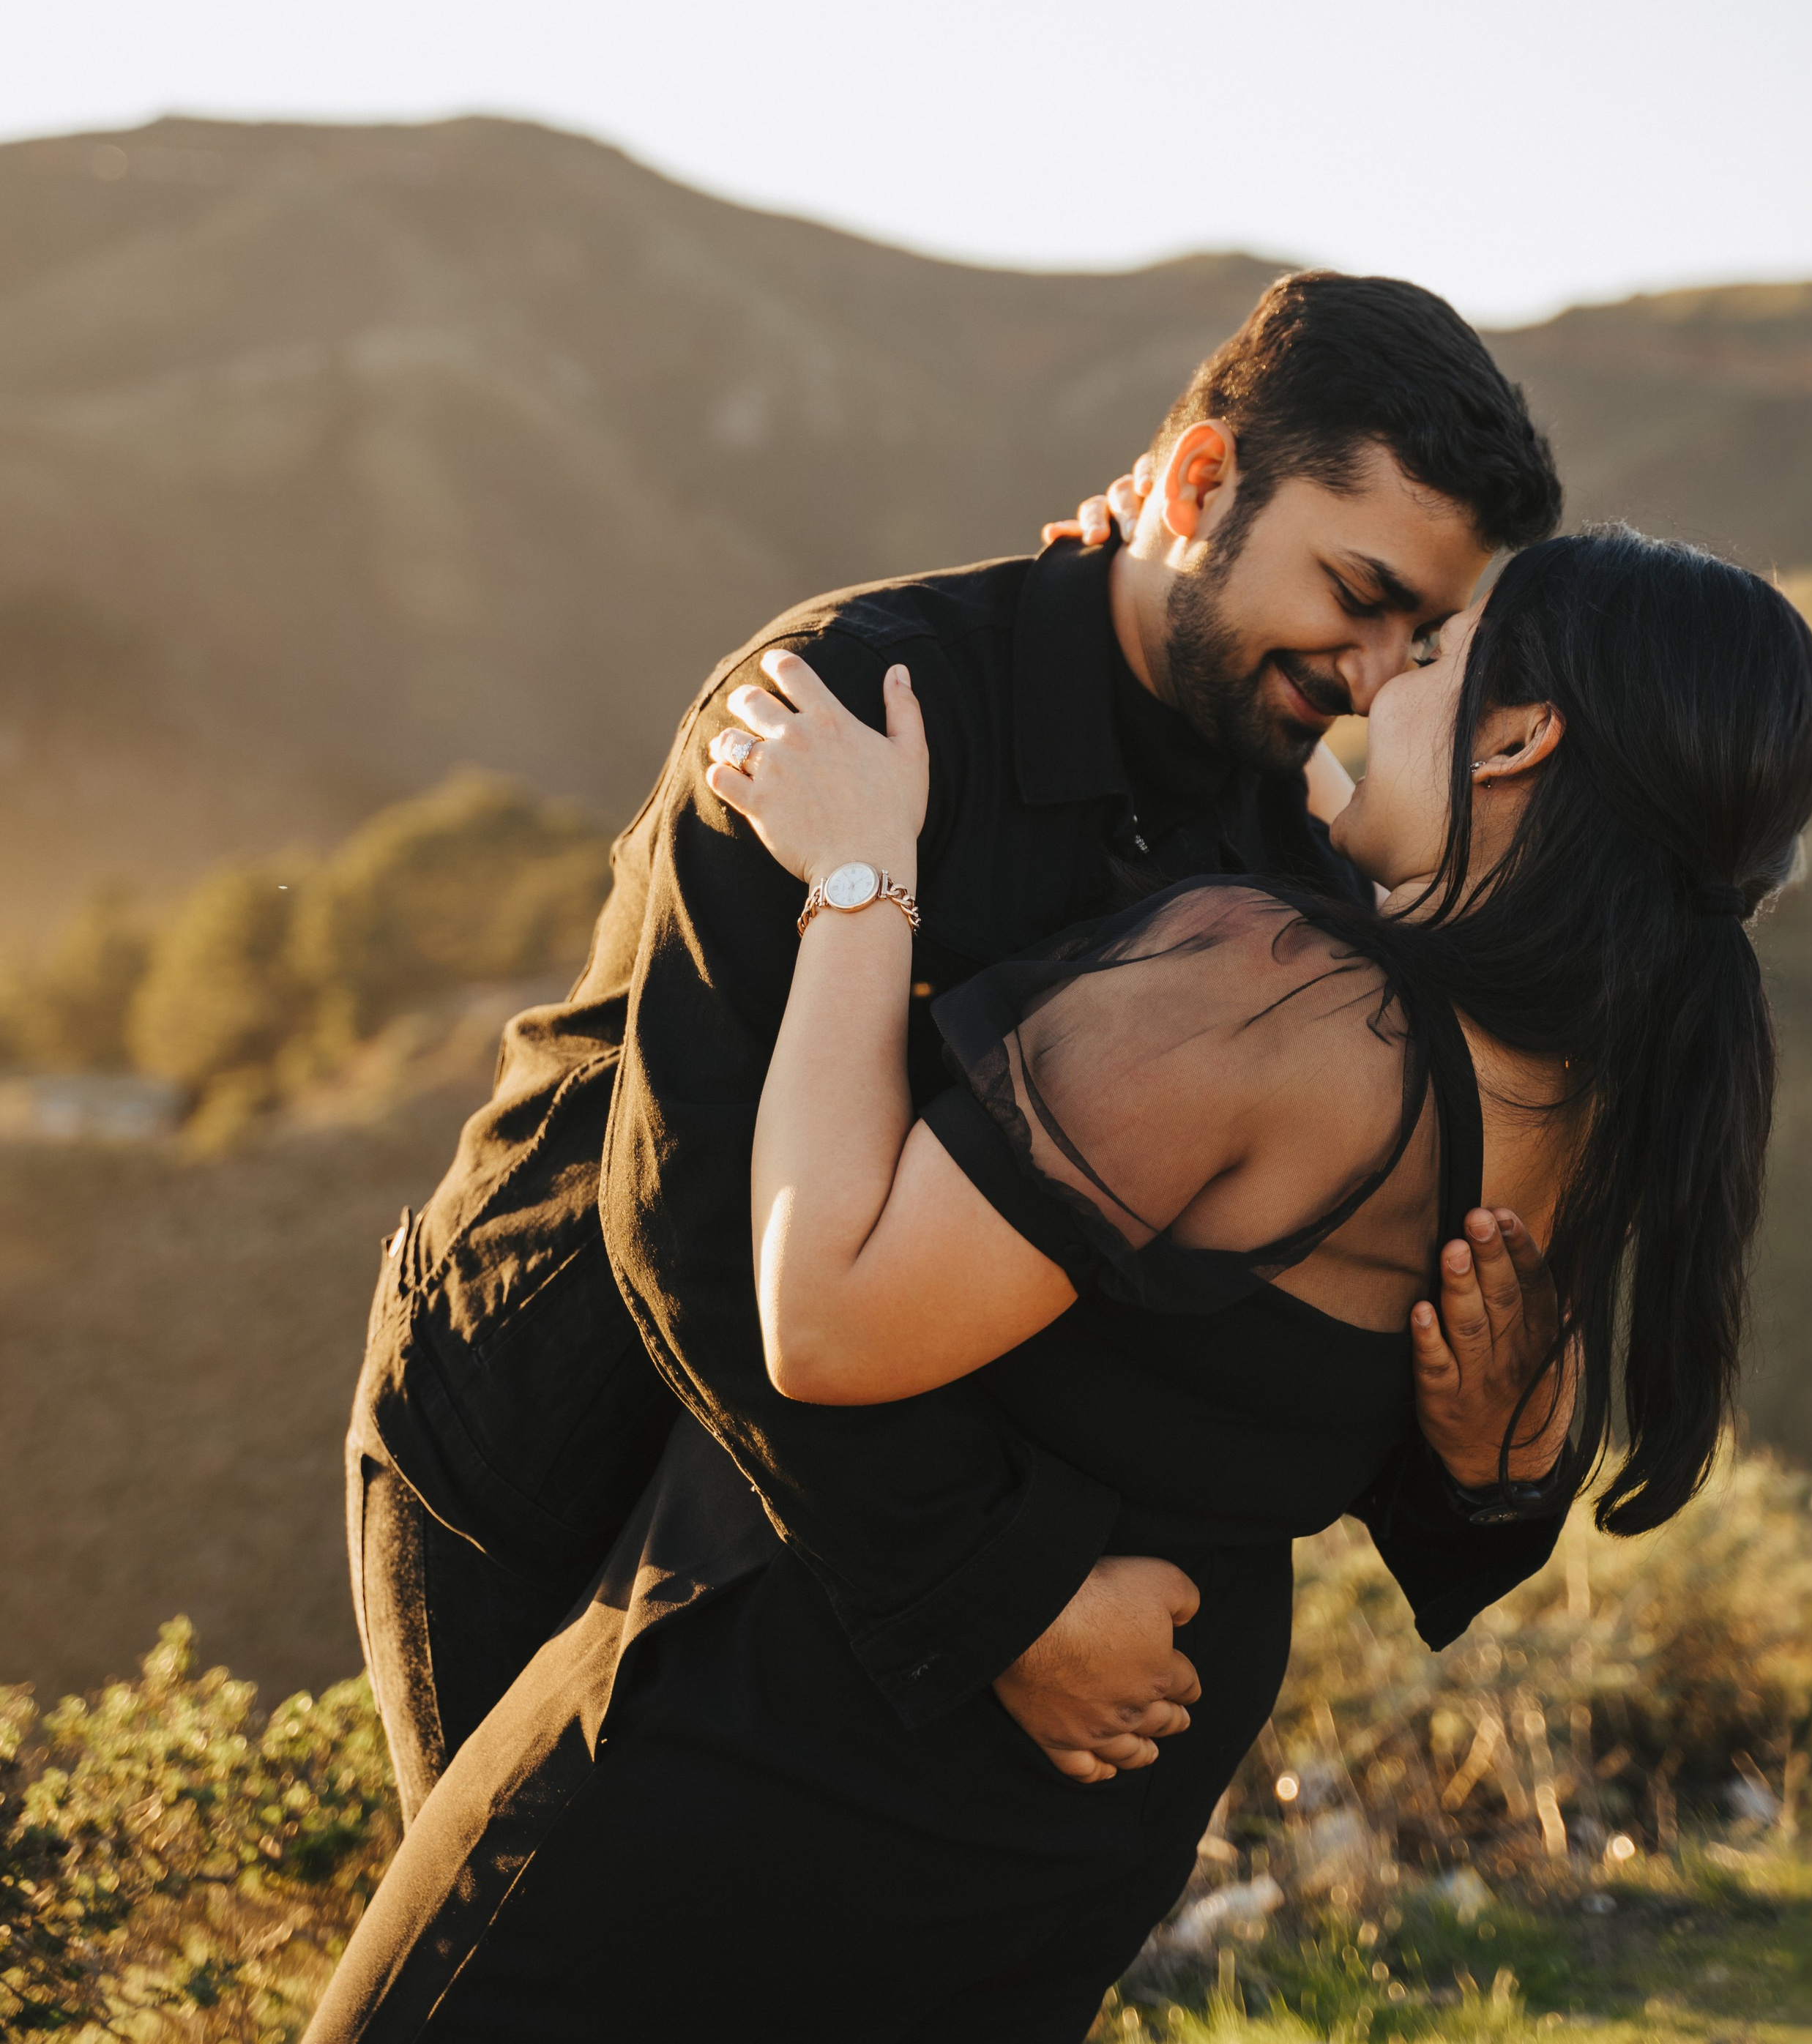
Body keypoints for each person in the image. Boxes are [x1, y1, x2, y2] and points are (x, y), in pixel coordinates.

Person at [309, 519, 1812, 2042]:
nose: (1376, 692)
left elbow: (825, 1311)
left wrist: (857, 880)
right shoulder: (1592, 1107)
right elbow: (1433, 1464)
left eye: (1428, 655)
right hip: (1070, 1836)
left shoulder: (1280, 1010)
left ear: (1513, 737)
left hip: (785, 1746)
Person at [346, 271, 1563, 1827]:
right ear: (1197, 483)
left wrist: (1488, 1464)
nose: (1373, 672)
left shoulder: (1294, 871)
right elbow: (695, 1204)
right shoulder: (844, 703)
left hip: (845, 1526)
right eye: (1353, 591)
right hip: (556, 1430)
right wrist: (1008, 1597)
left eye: (1422, 634)